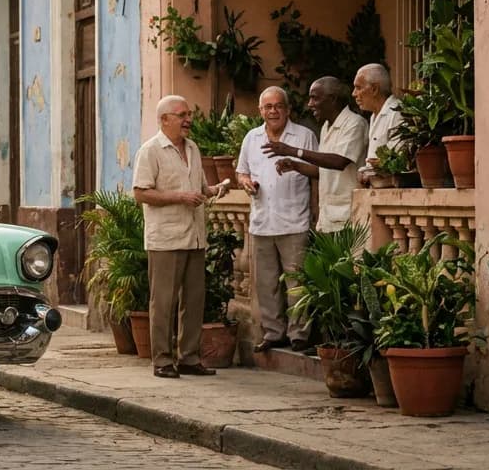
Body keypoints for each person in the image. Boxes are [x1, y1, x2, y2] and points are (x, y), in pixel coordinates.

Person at [132, 95, 232, 379]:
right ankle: (162, 360)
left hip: (195, 236)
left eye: (188, 114)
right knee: (163, 301)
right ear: (164, 120)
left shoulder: (193, 148)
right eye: (181, 115)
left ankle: (188, 357)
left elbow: (198, 187)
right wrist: (179, 196)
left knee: (194, 299)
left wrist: (215, 189)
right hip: (165, 238)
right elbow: (140, 193)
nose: (188, 119)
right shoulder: (150, 151)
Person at [236, 86, 318, 354]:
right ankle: (273, 333)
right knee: (266, 283)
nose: (273, 111)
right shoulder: (252, 138)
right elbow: (241, 173)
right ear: (260, 111)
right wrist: (247, 183)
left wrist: (295, 162)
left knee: (297, 283)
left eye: (278, 106)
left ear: (288, 109)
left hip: (295, 220)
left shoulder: (304, 136)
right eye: (268, 107)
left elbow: (318, 172)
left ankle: (299, 334)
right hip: (261, 221)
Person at [270, 77, 369, 235]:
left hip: (350, 217)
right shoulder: (325, 127)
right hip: (329, 217)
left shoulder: (355, 123)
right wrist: (295, 166)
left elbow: (339, 162)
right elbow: (322, 170)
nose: (309, 104)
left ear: (332, 99)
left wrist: (294, 151)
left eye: (315, 97)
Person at [353, 63, 404, 186]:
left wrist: (367, 172)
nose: (354, 94)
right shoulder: (374, 115)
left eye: (358, 88)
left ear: (374, 89)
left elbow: (397, 161)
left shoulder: (397, 113)